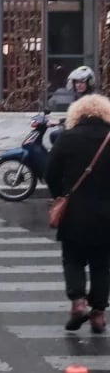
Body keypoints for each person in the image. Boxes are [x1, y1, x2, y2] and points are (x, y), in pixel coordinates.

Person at [45, 93, 110, 333]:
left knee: (72, 259)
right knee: (102, 265)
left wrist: (60, 194)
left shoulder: (67, 138)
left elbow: (50, 172)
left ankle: (78, 302)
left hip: (74, 212)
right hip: (106, 215)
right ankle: (98, 315)